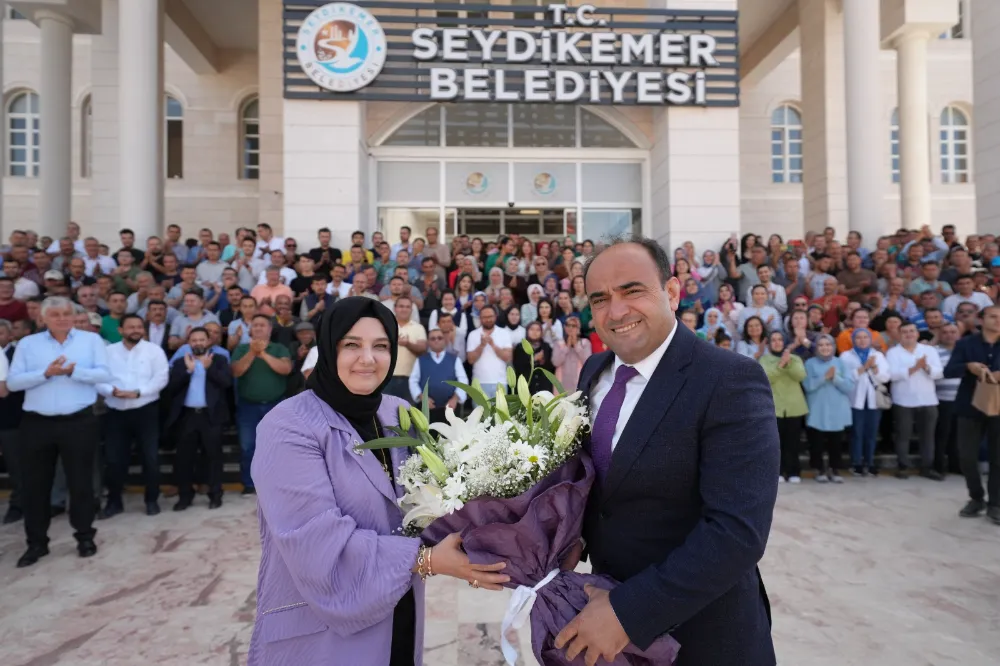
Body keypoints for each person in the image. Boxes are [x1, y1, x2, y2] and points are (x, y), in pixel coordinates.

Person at [248, 297, 509, 666]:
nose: (368, 359)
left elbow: (434, 497)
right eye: (351, 345)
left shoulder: (397, 412)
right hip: (322, 629)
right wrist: (428, 560)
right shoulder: (288, 426)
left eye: (381, 346)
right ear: (327, 348)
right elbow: (315, 542)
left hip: (396, 610)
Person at [558, 238, 778, 666]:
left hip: (704, 636)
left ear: (673, 292)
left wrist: (627, 612)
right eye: (599, 298)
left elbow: (737, 532)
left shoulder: (729, 380)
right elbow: (605, 487)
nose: (615, 311)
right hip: (610, 630)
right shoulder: (593, 371)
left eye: (632, 290)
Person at [7, 297, 112, 568]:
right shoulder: (28, 344)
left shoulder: (91, 341)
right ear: (43, 319)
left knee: (81, 484)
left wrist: (74, 372)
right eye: (55, 314)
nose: (62, 318)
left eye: (67, 313)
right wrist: (46, 373)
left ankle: (85, 537)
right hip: (37, 424)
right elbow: (14, 383)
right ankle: (37, 543)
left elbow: (103, 375)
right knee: (35, 486)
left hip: (79, 422)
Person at [95, 314, 170, 517]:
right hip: (115, 412)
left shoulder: (154, 351)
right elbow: (98, 377)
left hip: (145, 409)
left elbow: (161, 378)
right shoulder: (107, 352)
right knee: (114, 459)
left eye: (139, 326)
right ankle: (114, 502)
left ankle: (152, 500)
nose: (135, 330)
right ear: (121, 330)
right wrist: (111, 391)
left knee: (150, 458)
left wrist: (138, 392)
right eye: (130, 327)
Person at [943, 305, 1000, 525]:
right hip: (969, 405)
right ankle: (976, 497)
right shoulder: (966, 343)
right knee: (966, 456)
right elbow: (949, 370)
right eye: (993, 317)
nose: (997, 321)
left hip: (998, 406)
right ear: (981, 319)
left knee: (998, 458)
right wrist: (969, 367)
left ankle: (995, 503)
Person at [165, 327, 232, 511]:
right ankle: (185, 496)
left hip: (211, 416)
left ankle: (215, 494)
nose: (198, 343)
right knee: (184, 458)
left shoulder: (219, 360)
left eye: (202, 339)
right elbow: (170, 389)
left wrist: (209, 369)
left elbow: (226, 383)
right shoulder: (181, 362)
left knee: (213, 457)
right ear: (189, 342)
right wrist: (188, 371)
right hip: (187, 416)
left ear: (208, 341)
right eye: (194, 340)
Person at [231, 315, 293, 495]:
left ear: (270, 329)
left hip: (276, 405)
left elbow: (285, 369)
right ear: (250, 329)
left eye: (262, 325)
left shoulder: (279, 348)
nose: (258, 328)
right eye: (255, 325)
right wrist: (252, 352)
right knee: (247, 446)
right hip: (247, 407)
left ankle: (278, 485)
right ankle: (249, 485)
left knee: (278, 447)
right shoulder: (242, 349)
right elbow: (236, 371)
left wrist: (263, 353)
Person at [886, 322, 945, 480]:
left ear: (917, 334)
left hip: (928, 399)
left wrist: (926, 368)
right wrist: (915, 368)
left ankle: (927, 467)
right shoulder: (893, 353)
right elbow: (892, 375)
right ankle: (903, 466)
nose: (909, 334)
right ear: (899, 335)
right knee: (902, 435)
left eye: (912, 331)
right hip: (903, 400)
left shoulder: (929, 350)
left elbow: (938, 373)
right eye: (904, 332)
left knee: (928, 436)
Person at [802, 334, 854, 483]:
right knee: (816, 442)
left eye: (828, 344)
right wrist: (824, 377)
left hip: (837, 408)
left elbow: (849, 386)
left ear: (833, 347)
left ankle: (835, 468)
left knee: (835, 442)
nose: (825, 348)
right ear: (816, 348)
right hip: (818, 408)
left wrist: (835, 378)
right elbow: (808, 386)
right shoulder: (810, 363)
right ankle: (819, 469)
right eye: (821, 345)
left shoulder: (841, 363)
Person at [840, 329, 891, 476]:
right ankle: (856, 463)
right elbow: (845, 377)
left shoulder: (878, 355)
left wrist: (875, 369)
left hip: (873, 401)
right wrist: (863, 368)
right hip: (855, 400)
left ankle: (870, 462)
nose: (862, 340)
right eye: (858, 338)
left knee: (871, 433)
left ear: (870, 339)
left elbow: (886, 377)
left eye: (865, 337)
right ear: (853, 340)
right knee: (856, 433)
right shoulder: (846, 356)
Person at [760, 331, 808, 483]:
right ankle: (778, 472)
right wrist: (781, 365)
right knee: (776, 443)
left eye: (780, 339)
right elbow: (767, 378)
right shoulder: (765, 360)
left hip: (794, 406)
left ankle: (794, 471)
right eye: (773, 340)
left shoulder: (795, 359)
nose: (777, 342)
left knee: (793, 442)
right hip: (774, 407)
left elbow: (800, 376)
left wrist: (788, 363)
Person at [408, 328, 468, 423]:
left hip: (450, 408)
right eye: (433, 338)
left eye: (439, 338)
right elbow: (413, 381)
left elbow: (463, 381)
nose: (436, 340)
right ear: (428, 342)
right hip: (427, 409)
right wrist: (422, 398)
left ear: (444, 340)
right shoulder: (420, 360)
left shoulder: (455, 359)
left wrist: (455, 399)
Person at [465, 305, 513, 399]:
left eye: (490, 316)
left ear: (495, 316)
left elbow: (508, 358)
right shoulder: (473, 334)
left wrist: (493, 345)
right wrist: (482, 345)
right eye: (485, 317)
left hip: (501, 382)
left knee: (501, 414)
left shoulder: (504, 333)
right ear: (480, 318)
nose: (488, 319)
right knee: (481, 414)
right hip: (479, 383)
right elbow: (470, 360)